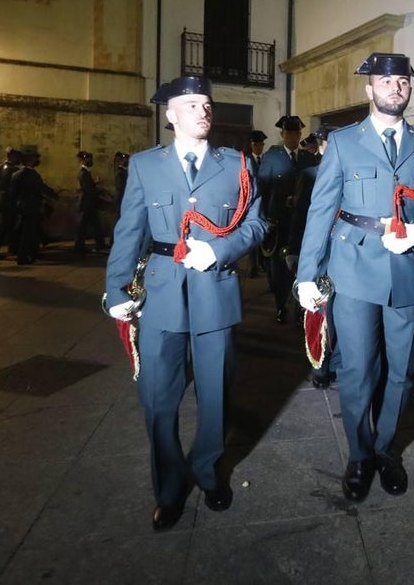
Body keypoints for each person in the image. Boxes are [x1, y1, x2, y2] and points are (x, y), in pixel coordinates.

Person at [104, 74, 265, 531]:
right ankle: (169, 487)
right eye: (191, 104)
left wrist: (219, 249)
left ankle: (209, 472)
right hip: (159, 293)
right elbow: (129, 231)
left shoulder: (236, 164)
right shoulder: (144, 165)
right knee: (158, 398)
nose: (202, 111)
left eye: (206, 104)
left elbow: (256, 224)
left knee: (215, 393)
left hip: (215, 291)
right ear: (170, 114)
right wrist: (116, 289)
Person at [295, 52, 414, 502]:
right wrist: (308, 274)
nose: (396, 88)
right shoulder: (345, 142)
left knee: (403, 370)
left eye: (403, 81)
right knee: (357, 368)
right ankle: (359, 455)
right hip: (352, 267)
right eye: (386, 81)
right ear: (369, 89)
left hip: (405, 266)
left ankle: (386, 449)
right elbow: (321, 209)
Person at [287, 126, 339, 389]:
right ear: (319, 147)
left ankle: (337, 361)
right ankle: (320, 366)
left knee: (341, 313)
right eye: (328, 145)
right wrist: (295, 252)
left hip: (343, 254)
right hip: (317, 254)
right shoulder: (309, 175)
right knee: (318, 311)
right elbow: (300, 217)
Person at [257, 115, 315, 323]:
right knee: (280, 268)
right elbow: (262, 189)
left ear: (300, 135)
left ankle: (301, 307)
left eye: (296, 133)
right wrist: (264, 219)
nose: (292, 137)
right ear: (282, 135)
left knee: (303, 265)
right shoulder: (272, 157)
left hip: (303, 223)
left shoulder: (309, 158)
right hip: (279, 222)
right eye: (288, 133)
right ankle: (281, 305)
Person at [11, 147, 52, 265]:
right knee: (27, 233)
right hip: (32, 207)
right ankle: (22, 257)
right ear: (30, 160)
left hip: (21, 207)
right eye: (35, 158)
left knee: (27, 231)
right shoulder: (33, 175)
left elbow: (13, 193)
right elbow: (41, 189)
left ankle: (33, 253)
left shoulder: (16, 174)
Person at [0, 147, 23, 259]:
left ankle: (13, 247)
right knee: (6, 225)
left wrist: (0, 184)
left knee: (9, 224)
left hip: (0, 197)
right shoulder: (14, 169)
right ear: (13, 157)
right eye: (18, 157)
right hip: (10, 199)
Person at [73, 150, 108, 254]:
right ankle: (79, 247)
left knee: (95, 225)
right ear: (83, 160)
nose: (90, 160)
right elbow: (89, 190)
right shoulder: (84, 173)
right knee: (82, 227)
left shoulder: (86, 173)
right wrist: (99, 191)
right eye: (88, 159)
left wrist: (95, 184)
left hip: (89, 204)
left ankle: (100, 244)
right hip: (86, 204)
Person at [245, 131, 268, 278]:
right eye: (255, 144)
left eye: (260, 144)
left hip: (266, 202)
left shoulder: (267, 159)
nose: (258, 147)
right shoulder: (246, 161)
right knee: (252, 235)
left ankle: (263, 264)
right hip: (252, 204)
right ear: (251, 145)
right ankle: (252, 266)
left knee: (265, 236)